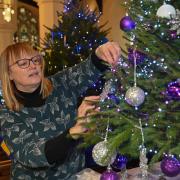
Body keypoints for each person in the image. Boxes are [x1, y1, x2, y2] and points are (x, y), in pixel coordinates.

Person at [0, 41, 120, 179]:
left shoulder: (60, 83)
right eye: (23, 63)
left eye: (35, 59)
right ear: (9, 74)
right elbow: (32, 154)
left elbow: (87, 69)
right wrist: (75, 131)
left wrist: (100, 52)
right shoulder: (6, 113)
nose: (33, 66)